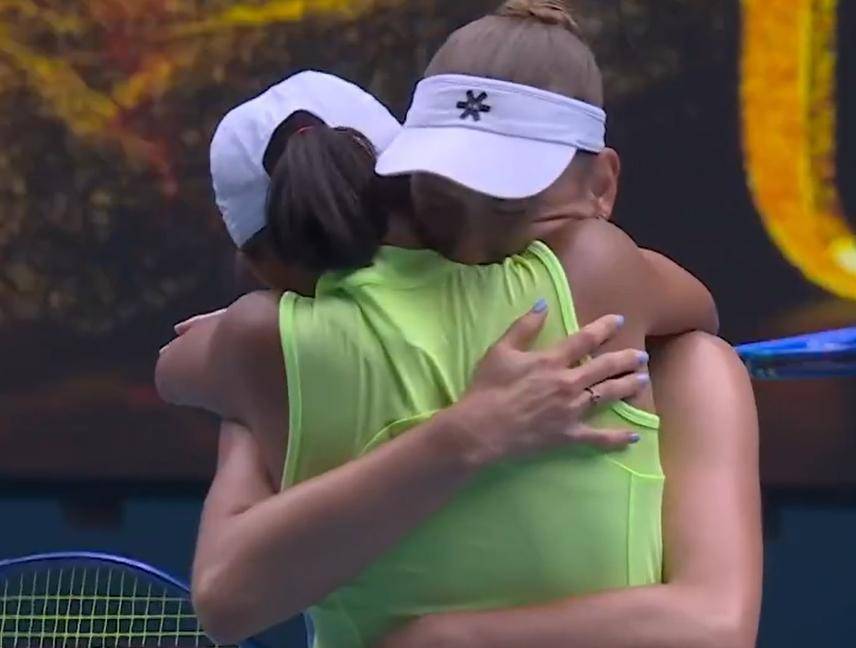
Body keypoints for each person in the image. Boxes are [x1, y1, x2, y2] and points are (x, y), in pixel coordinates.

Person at [159, 4, 760, 643]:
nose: (472, 241)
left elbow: (174, 370)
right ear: (402, 183)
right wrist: (467, 432)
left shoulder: (257, 348)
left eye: (508, 205)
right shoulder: (600, 268)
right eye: (446, 203)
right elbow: (700, 304)